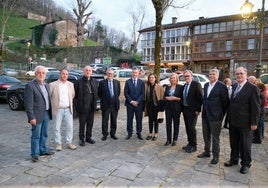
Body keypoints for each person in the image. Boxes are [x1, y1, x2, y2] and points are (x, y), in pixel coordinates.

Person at [224, 67, 260, 174]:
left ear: (246, 74)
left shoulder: (252, 88)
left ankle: (245, 163)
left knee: (245, 145)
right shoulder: (235, 86)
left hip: (246, 122)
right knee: (233, 142)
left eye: (241, 73)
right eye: (237, 74)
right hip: (234, 121)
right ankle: (234, 159)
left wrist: (254, 123)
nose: (239, 75)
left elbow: (256, 107)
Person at [197, 69, 229, 165]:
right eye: (210, 74)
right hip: (205, 115)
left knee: (215, 137)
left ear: (217, 76)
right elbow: (205, 99)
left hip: (216, 116)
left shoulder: (222, 86)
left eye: (213, 74)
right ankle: (207, 152)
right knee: (205, 135)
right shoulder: (206, 85)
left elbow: (225, 102)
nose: (211, 76)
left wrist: (221, 114)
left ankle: (216, 156)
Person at [24, 65, 54, 162]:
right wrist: (31, 117)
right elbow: (28, 104)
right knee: (36, 135)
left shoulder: (46, 85)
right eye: (39, 72)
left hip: (46, 113)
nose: (41, 74)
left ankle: (43, 150)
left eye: (43, 73)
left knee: (44, 133)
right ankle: (35, 154)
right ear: (35, 74)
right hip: (36, 115)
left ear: (45, 74)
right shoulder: (30, 85)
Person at [49, 69, 77, 151]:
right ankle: (58, 143)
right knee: (57, 127)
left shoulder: (71, 85)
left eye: (66, 74)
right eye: (63, 74)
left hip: (68, 109)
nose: (65, 75)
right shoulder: (53, 85)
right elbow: (49, 96)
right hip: (58, 109)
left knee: (70, 127)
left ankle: (69, 142)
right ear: (60, 74)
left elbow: (72, 95)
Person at [74, 66, 98, 146]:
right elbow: (75, 96)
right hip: (82, 107)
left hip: (91, 106)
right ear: (83, 72)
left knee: (90, 123)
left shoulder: (94, 81)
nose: (88, 72)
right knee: (82, 124)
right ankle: (81, 139)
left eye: (89, 70)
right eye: (86, 70)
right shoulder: (78, 82)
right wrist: (78, 107)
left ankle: (88, 137)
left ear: (91, 72)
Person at [181, 70, 203, 153]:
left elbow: (200, 98)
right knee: (187, 127)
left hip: (193, 111)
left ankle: (194, 145)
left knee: (192, 128)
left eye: (188, 76)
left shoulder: (196, 84)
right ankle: (189, 143)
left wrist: (198, 110)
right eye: (185, 76)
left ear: (192, 76)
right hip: (185, 109)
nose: (186, 77)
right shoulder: (185, 86)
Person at [98, 68, 121, 141]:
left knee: (114, 120)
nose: (110, 75)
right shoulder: (102, 83)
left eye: (111, 74)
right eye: (108, 73)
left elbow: (118, 93)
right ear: (106, 74)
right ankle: (104, 134)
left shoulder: (117, 82)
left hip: (114, 105)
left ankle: (113, 133)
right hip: (105, 105)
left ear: (113, 74)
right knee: (105, 120)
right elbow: (99, 93)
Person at [124, 67, 145, 140]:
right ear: (131, 73)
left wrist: (137, 101)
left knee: (139, 119)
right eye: (133, 72)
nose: (134, 74)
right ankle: (129, 133)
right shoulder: (127, 82)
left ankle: (139, 133)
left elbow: (143, 93)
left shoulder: (141, 82)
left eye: (136, 72)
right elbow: (126, 93)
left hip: (139, 105)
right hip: (130, 104)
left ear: (138, 74)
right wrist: (132, 101)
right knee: (129, 119)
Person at [163, 73, 183, 146]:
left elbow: (182, 98)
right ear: (170, 79)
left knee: (176, 124)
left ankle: (175, 139)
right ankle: (168, 139)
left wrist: (175, 98)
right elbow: (164, 96)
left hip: (176, 108)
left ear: (177, 79)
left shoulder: (180, 87)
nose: (173, 79)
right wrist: (166, 98)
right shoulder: (168, 87)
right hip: (168, 108)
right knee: (168, 124)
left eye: (174, 78)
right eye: (171, 78)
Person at [144, 73, 164, 141]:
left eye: (153, 77)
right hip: (149, 106)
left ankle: (156, 134)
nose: (151, 79)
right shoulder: (146, 86)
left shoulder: (159, 86)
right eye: (150, 78)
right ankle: (150, 133)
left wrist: (161, 107)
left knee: (156, 120)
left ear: (155, 79)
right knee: (150, 120)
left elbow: (162, 97)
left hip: (156, 106)